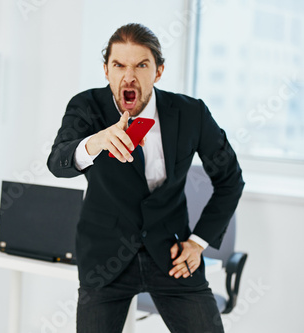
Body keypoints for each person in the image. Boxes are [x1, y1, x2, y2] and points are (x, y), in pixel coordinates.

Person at [47, 23, 244, 333]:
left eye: (141, 65)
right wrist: (95, 141)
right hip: (105, 259)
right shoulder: (86, 107)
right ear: (106, 70)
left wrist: (197, 243)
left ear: (159, 71)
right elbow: (58, 162)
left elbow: (230, 180)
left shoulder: (192, 113)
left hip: (173, 255)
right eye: (119, 65)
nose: (129, 76)